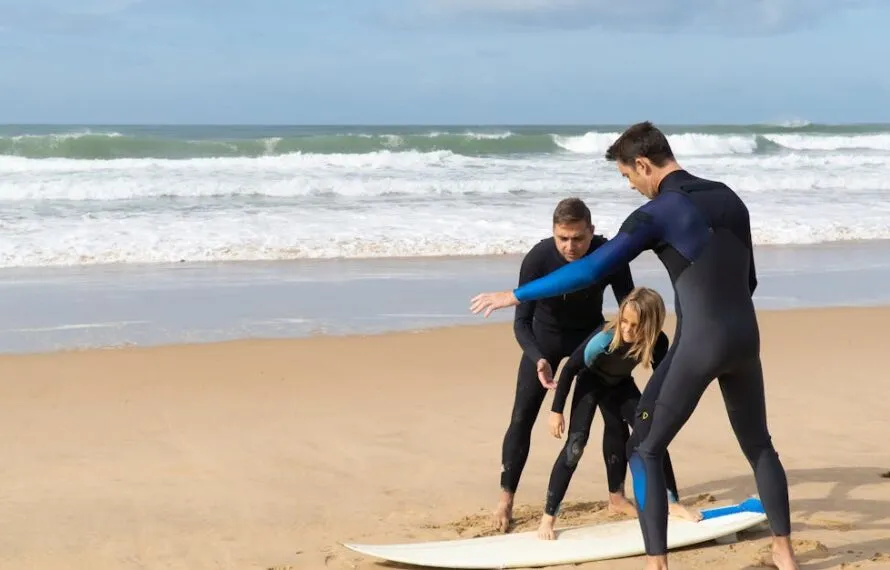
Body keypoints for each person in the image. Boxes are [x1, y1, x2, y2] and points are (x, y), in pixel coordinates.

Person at [469, 121, 798, 570]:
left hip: (700, 342)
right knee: (759, 445)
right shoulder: (729, 197)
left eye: (628, 177)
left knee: (643, 445)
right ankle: (785, 554)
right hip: (746, 338)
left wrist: (516, 295)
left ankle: (655, 563)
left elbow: (590, 270)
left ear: (643, 164)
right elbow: (749, 280)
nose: (632, 187)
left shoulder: (660, 211)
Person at [495, 197, 638, 533]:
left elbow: (629, 306)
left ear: (591, 231)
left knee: (614, 418)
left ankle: (616, 497)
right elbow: (521, 322)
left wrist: (627, 349)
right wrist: (538, 357)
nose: (570, 246)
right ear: (553, 233)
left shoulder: (608, 255)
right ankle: (506, 499)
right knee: (521, 419)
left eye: (578, 238)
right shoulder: (539, 257)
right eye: (563, 238)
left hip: (589, 340)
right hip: (544, 341)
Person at [537, 287, 702, 540]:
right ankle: (548, 518)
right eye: (624, 321)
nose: (626, 329)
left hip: (621, 384)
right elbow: (570, 369)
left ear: (650, 326)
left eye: (635, 325)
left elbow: (662, 382)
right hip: (590, 383)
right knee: (575, 446)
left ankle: (671, 501)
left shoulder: (658, 342)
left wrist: (657, 414)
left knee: (652, 435)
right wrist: (556, 410)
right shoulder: (605, 338)